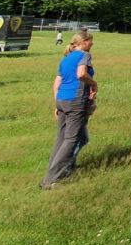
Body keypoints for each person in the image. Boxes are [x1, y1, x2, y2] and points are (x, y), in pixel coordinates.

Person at [41, 31, 98, 189]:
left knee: (64, 138)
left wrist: (57, 105)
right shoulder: (84, 55)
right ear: (84, 42)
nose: (92, 44)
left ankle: (65, 168)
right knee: (72, 140)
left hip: (62, 100)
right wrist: (94, 83)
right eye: (91, 41)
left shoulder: (65, 59)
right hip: (75, 101)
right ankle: (50, 179)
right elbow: (81, 74)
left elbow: (56, 84)